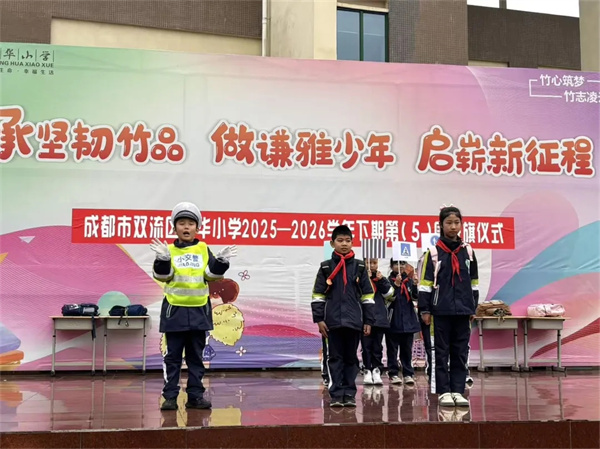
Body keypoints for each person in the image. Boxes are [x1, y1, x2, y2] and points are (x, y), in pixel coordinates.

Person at [150, 201, 237, 411]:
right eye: (181, 223)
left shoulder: (203, 249)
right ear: (174, 228)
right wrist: (162, 260)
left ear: (197, 227)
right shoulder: (168, 250)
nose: (186, 227)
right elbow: (162, 276)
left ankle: (195, 396)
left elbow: (211, 276)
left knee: (196, 358)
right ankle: (170, 397)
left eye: (190, 223)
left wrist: (221, 262)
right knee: (172, 358)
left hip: (199, 312)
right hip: (174, 312)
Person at [418, 206, 479, 408]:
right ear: (441, 225)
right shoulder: (433, 253)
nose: (453, 227)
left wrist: (472, 307)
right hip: (440, 312)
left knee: (460, 352)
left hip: (463, 311)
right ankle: (443, 391)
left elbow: (474, 282)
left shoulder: (468, 252)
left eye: (456, 222)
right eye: (449, 223)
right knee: (440, 353)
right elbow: (425, 285)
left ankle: (458, 391)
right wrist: (425, 310)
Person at [311, 225, 375, 407]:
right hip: (332, 322)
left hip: (354, 321)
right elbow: (318, 295)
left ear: (352, 243)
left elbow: (368, 296)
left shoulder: (360, 267)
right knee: (334, 358)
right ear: (332, 244)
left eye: (348, 240)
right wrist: (319, 319)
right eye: (340, 240)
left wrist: (369, 320)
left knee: (351, 358)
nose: (344, 244)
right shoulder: (325, 267)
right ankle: (336, 394)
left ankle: (349, 394)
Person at [386, 259, 420, 385]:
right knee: (392, 350)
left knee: (407, 349)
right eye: (396, 264)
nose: (400, 266)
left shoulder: (409, 281)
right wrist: (396, 285)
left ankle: (408, 373)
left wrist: (415, 285)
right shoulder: (387, 281)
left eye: (402, 263)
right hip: (393, 321)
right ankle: (393, 373)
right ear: (391, 266)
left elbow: (415, 297)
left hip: (408, 321)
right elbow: (388, 297)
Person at [362, 258, 393, 386]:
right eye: (369, 262)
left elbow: (390, 295)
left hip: (379, 319)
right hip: (364, 319)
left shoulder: (381, 278)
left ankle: (377, 370)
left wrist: (381, 281)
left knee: (377, 347)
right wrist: (365, 279)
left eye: (374, 263)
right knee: (366, 347)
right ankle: (367, 370)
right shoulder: (360, 277)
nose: (372, 265)